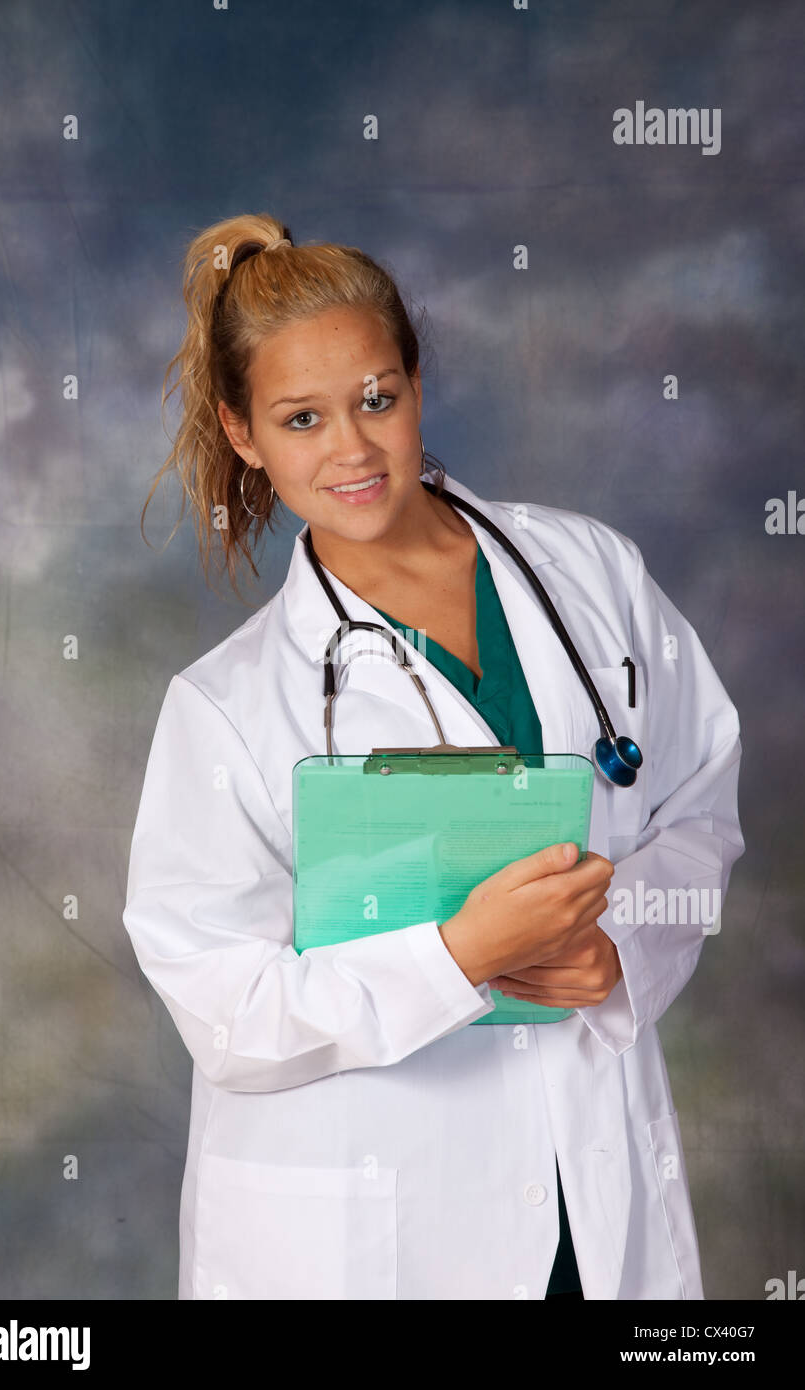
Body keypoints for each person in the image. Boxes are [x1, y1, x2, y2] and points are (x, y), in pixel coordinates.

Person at [122, 211, 745, 1301]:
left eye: (376, 398)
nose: (351, 449)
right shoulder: (225, 705)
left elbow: (696, 805)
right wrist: (453, 959)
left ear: (414, 382)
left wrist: (620, 952)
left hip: (585, 1197)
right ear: (242, 432)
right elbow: (223, 1003)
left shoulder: (585, 572)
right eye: (300, 417)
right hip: (372, 1230)